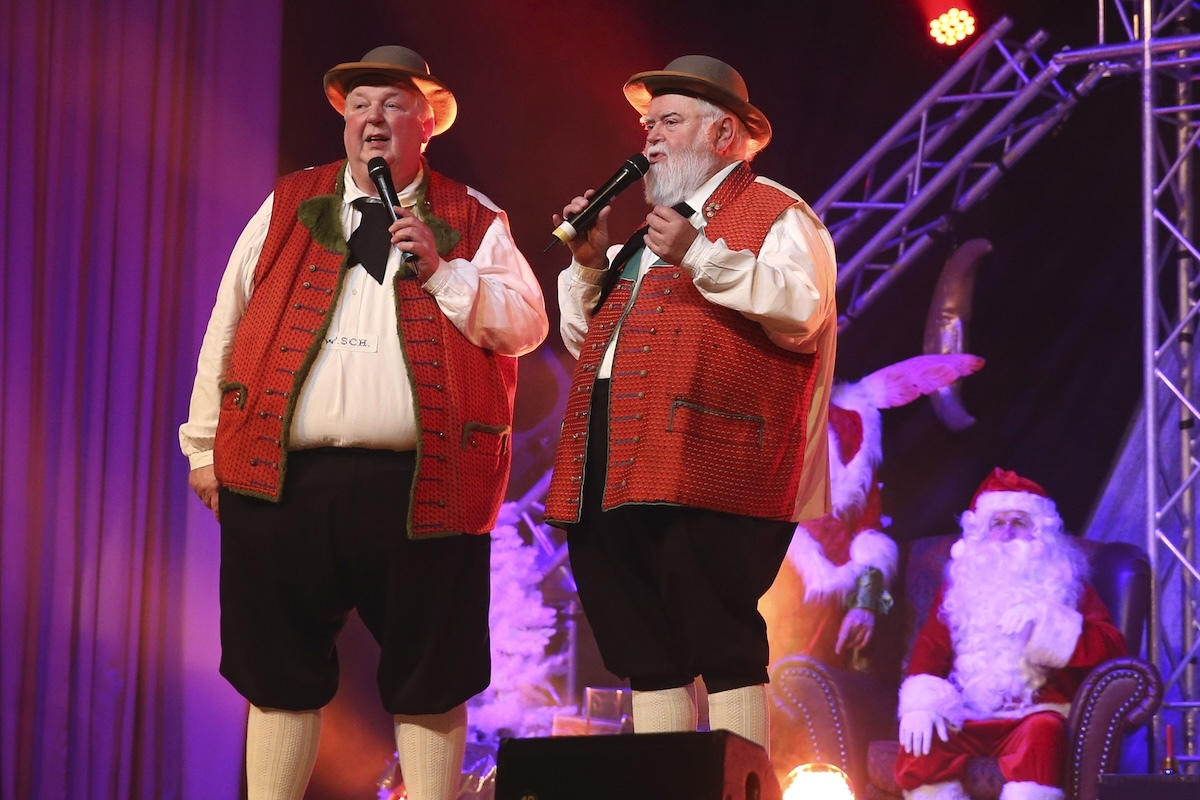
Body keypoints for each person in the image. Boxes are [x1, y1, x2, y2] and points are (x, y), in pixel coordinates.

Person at [179, 46, 548, 800]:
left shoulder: (473, 215)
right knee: (277, 670)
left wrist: (446, 269)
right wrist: (203, 448)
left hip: (424, 483)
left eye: (392, 105)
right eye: (360, 107)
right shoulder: (289, 204)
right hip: (288, 479)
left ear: (427, 123)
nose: (373, 119)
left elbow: (529, 324)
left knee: (429, 675)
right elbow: (229, 324)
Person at [543, 55, 838, 753]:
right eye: (648, 124)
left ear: (726, 135)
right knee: (644, 646)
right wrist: (588, 263)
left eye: (668, 122)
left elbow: (803, 311)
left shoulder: (778, 212)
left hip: (715, 463)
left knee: (720, 636)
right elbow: (591, 345)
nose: (648, 139)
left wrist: (701, 255)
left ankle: (740, 790)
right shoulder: (641, 242)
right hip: (616, 463)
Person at [894, 468, 1128, 800]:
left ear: (1039, 533)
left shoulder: (1065, 583)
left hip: (1033, 716)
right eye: (996, 523)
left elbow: (1112, 647)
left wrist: (1047, 623)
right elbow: (930, 645)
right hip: (970, 714)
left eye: (1018, 522)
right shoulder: (960, 587)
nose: (1006, 533)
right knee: (923, 741)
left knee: (1043, 734)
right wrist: (921, 703)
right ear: (982, 532)